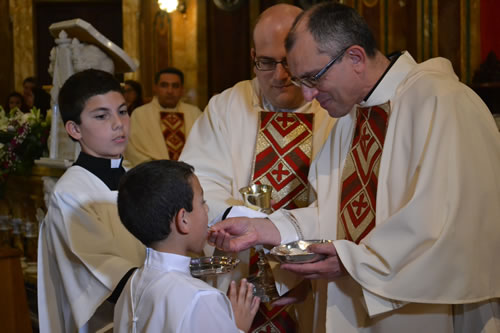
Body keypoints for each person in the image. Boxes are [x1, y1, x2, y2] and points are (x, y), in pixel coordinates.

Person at [209, 2, 500, 333]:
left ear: (356, 58)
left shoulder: (443, 103)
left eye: (313, 77)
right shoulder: (350, 117)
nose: (307, 93)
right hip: (351, 304)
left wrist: (352, 261)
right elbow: (336, 216)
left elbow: (454, 226)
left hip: (424, 312)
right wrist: (265, 229)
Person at [180, 4, 335, 333]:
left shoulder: (335, 111)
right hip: (236, 280)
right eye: (266, 63)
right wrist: (251, 228)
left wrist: (296, 261)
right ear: (252, 55)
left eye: (288, 63)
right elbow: (198, 187)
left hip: (314, 282)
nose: (279, 76)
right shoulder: (226, 107)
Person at [37, 69, 146, 333]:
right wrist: (171, 291)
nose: (118, 124)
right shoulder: (71, 193)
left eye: (122, 111)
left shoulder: (136, 179)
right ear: (74, 129)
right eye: (101, 116)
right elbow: (104, 274)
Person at [114, 160, 260, 332]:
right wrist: (237, 327)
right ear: (183, 220)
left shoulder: (132, 284)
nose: (207, 210)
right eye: (202, 202)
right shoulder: (201, 298)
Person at [125, 67, 202, 166]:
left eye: (175, 86)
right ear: (155, 88)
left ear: (182, 89)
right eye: (164, 85)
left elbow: (204, 147)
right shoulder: (140, 114)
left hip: (190, 172)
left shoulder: (194, 113)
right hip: (153, 174)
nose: (170, 91)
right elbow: (132, 150)